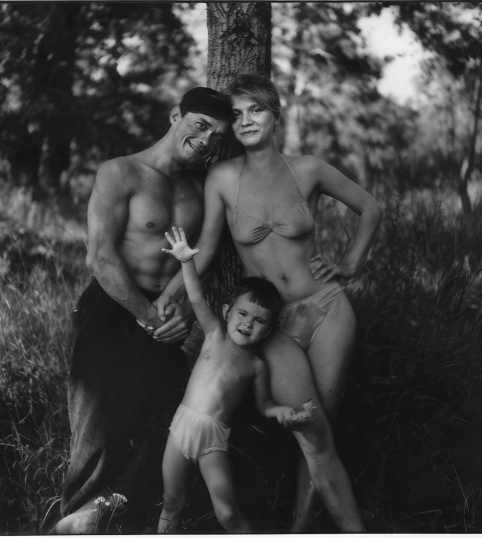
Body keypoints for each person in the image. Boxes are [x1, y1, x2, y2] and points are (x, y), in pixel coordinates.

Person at [156, 74, 382, 531]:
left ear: (275, 114)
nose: (245, 121)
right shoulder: (223, 178)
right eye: (237, 114)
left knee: (322, 432)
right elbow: (207, 249)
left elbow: (371, 208)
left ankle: (306, 528)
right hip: (272, 324)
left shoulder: (310, 169)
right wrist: (169, 294)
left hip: (327, 309)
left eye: (255, 110)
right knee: (311, 432)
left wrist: (349, 265)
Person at [54, 87, 234, 534]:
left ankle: (117, 519)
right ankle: (72, 523)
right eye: (200, 125)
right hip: (112, 311)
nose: (207, 140)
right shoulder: (122, 172)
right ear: (175, 115)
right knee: (99, 432)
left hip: (167, 319)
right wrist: (148, 315)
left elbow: (204, 254)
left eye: (217, 136)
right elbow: (101, 257)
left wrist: (181, 308)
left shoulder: (202, 186)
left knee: (161, 426)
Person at [157, 227, 314, 533]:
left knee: (228, 514)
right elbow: (196, 298)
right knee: (172, 501)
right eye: (242, 314)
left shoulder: (256, 365)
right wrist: (186, 261)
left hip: (212, 441)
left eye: (259, 320)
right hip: (180, 429)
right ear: (227, 312)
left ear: (268, 330)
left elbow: (265, 404)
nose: (247, 323)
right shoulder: (214, 335)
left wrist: (284, 411)